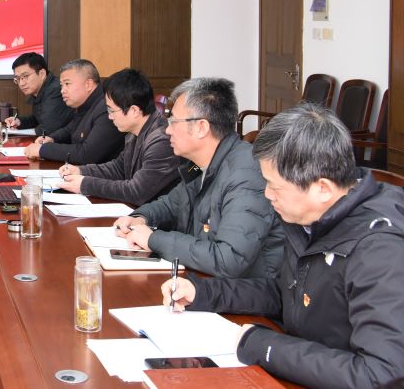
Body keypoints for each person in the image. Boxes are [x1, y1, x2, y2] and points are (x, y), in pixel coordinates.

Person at [161, 104, 404, 389]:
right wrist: (203, 292)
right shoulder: (313, 217)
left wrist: (266, 347)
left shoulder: (380, 250)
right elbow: (286, 293)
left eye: (275, 187)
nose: (267, 195)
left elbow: (381, 374)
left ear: (322, 188)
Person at [112, 77, 283, 278]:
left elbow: (228, 259)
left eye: (173, 121)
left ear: (201, 127)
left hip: (246, 291)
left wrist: (154, 239)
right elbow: (171, 204)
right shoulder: (200, 164)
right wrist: (140, 218)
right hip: (206, 281)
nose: (167, 130)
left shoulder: (245, 175)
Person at [56, 68, 181, 206]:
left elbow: (137, 192)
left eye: (111, 110)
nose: (109, 117)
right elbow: (119, 168)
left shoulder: (161, 140)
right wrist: (80, 170)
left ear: (134, 110)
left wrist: (85, 184)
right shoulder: (136, 131)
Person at [24, 59, 123, 164]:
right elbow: (70, 129)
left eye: (67, 84)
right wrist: (52, 139)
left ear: (88, 84)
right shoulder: (86, 104)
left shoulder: (106, 108)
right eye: (61, 85)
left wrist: (43, 150)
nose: (62, 90)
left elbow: (87, 154)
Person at [4, 52, 73, 136]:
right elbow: (37, 120)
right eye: (18, 79)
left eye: (25, 76)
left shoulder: (55, 91)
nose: (21, 83)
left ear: (42, 74)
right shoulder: (39, 90)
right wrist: (19, 121)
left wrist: (16, 132)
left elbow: (47, 129)